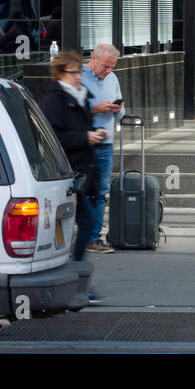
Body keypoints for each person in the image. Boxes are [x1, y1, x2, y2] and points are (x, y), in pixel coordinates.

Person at [41, 49, 108, 303]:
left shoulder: (80, 97)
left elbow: (82, 129)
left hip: (81, 172)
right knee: (86, 223)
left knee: (80, 225)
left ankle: (74, 281)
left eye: (80, 71)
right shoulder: (55, 101)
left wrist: (96, 133)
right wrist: (85, 137)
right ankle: (75, 280)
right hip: (66, 175)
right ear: (61, 74)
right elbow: (53, 139)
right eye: (74, 72)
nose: (80, 76)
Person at [82, 44, 125, 254]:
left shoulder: (113, 78)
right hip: (82, 144)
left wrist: (117, 109)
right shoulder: (79, 76)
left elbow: (121, 114)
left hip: (106, 145)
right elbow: (68, 110)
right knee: (78, 191)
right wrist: (96, 109)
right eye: (105, 66)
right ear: (93, 58)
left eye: (111, 67)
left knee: (100, 193)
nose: (107, 71)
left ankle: (93, 239)